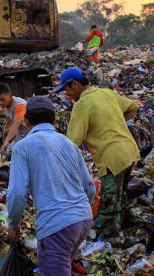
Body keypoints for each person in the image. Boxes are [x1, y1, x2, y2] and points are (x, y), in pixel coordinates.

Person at [7, 96, 95, 276]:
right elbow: (89, 187)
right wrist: (79, 211)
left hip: (57, 226)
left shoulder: (22, 147)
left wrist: (13, 226)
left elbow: (17, 194)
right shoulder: (69, 143)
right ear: (54, 121)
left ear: (26, 122)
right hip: (83, 220)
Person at [56, 67, 139, 238]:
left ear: (76, 84)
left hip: (112, 157)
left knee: (109, 201)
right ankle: (124, 228)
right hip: (129, 152)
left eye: (67, 89)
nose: (67, 94)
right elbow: (134, 106)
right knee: (120, 195)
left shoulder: (82, 104)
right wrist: (115, 123)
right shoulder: (107, 93)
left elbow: (73, 141)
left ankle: (111, 239)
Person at [0, 83, 29, 154]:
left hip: (30, 135)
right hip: (20, 135)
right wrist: (7, 127)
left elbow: (17, 123)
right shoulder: (5, 105)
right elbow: (8, 117)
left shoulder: (19, 105)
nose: (0, 103)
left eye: (2, 99)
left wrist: (6, 141)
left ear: (9, 95)